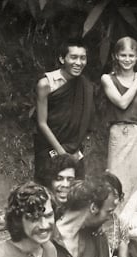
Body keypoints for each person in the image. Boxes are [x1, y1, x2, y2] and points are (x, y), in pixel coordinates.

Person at [101, 36, 137, 202]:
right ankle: (115, 224)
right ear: (116, 56)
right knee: (116, 180)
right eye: (123, 55)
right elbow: (122, 103)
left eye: (131, 55)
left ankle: (136, 223)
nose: (127, 59)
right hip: (118, 135)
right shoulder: (108, 79)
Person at [34, 38, 94, 183]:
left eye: (83, 58)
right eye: (73, 57)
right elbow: (42, 123)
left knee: (75, 194)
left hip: (75, 151)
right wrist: (62, 154)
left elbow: (86, 124)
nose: (78, 63)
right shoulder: (46, 84)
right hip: (50, 149)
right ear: (62, 58)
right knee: (48, 192)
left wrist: (74, 154)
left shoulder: (85, 86)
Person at [0, 182, 60, 257]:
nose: (44, 225)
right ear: (17, 220)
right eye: (34, 218)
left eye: (48, 215)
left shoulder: (49, 249)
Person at [52, 179, 111, 257]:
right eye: (108, 212)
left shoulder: (98, 238)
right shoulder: (46, 238)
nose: (109, 218)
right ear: (93, 208)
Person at [96, 172, 130, 257]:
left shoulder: (121, 223)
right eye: (110, 196)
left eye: (117, 196)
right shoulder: (91, 222)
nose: (115, 202)